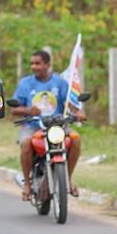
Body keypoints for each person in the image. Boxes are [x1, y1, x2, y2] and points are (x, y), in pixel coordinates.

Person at [11, 50, 84, 200]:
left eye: (37, 63)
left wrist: (78, 113)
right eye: (32, 63)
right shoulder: (25, 83)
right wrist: (28, 110)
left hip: (57, 126)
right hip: (33, 125)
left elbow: (69, 104)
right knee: (26, 143)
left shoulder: (60, 83)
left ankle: (68, 179)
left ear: (47, 64)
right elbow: (14, 109)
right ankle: (27, 185)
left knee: (76, 139)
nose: (34, 66)